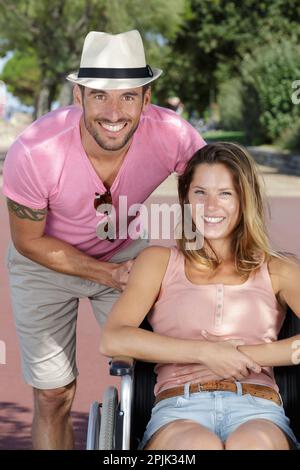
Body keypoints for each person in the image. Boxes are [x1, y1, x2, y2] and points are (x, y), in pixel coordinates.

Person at [2, 30, 205, 450]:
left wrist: (192, 254)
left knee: (154, 376)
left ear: (147, 99)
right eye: (100, 96)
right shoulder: (35, 151)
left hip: (124, 249)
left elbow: (209, 187)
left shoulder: (173, 134)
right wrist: (109, 274)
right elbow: (28, 241)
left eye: (128, 96)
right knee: (53, 394)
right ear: (79, 97)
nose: (114, 111)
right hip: (45, 261)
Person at [101, 142, 300, 450]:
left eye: (225, 194)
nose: (211, 206)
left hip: (257, 408)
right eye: (199, 193)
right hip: (179, 408)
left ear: (245, 200)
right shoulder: (157, 262)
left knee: (253, 445)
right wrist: (204, 352)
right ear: (185, 198)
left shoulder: (279, 268)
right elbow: (113, 339)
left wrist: (241, 357)